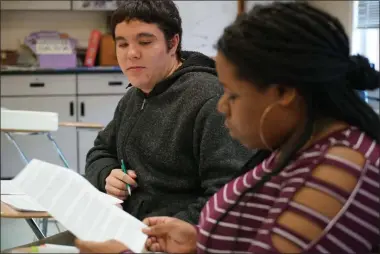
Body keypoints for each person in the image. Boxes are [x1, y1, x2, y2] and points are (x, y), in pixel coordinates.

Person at [75, 2, 380, 254]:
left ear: (285, 93)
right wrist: (199, 243)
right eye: (123, 43)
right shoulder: (297, 146)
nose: (222, 105)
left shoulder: (338, 170)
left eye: (233, 94)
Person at [84, 0, 252, 224]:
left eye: (144, 42)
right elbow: (100, 151)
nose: (131, 53)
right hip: (126, 226)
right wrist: (107, 174)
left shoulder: (210, 100)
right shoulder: (135, 96)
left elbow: (229, 196)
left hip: (172, 238)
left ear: (173, 44)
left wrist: (166, 232)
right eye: (122, 44)